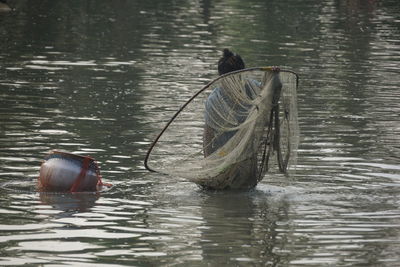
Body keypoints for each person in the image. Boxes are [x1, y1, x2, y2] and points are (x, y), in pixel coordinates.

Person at [202, 49, 259, 189]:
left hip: (246, 155)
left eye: (237, 77)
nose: (234, 82)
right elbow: (208, 135)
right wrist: (209, 164)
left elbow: (273, 92)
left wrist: (274, 76)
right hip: (223, 156)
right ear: (222, 78)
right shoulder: (214, 100)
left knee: (244, 189)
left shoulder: (252, 88)